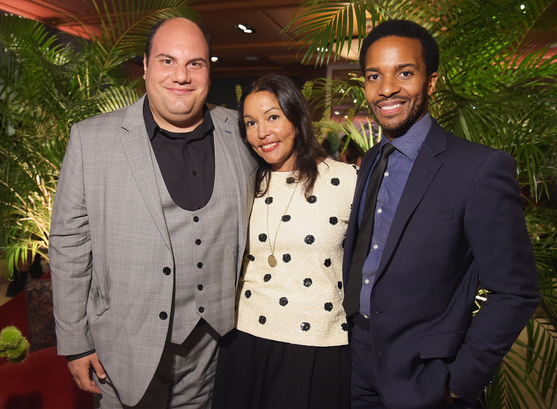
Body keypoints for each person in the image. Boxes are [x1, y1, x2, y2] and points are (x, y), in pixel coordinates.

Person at [49, 17, 257, 408]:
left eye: (195, 63)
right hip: (123, 350)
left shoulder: (239, 130)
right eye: (167, 61)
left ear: (209, 71)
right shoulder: (91, 139)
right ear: (145, 66)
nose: (181, 75)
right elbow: (69, 245)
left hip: (212, 347)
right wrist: (75, 343)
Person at [342, 20, 539, 409]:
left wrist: (456, 382)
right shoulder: (369, 162)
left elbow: (515, 290)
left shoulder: (479, 168)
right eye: (373, 76)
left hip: (426, 380)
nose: (386, 89)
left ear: (431, 82)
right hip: (355, 365)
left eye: (405, 73)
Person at [212, 73, 357, 409]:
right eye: (250, 122)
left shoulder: (346, 180)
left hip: (317, 344)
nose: (261, 132)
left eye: (273, 117)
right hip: (245, 340)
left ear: (296, 117)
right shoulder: (245, 183)